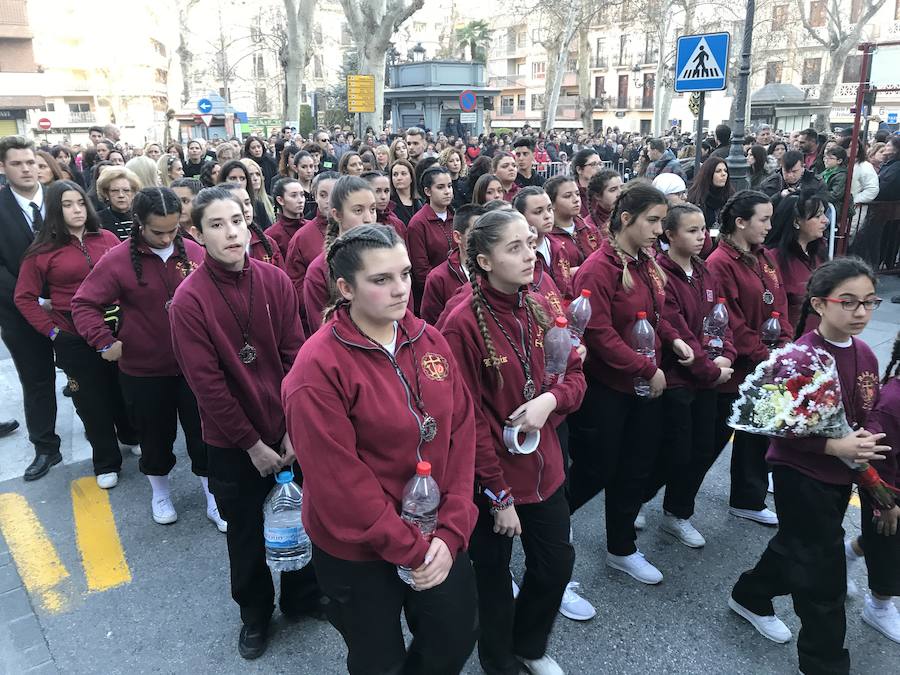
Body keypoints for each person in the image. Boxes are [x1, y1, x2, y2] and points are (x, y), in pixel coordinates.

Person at [284, 223, 479, 674]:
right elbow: (339, 482)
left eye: (406, 274)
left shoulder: (428, 338)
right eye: (381, 280)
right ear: (344, 288)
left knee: (455, 634)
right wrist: (409, 548)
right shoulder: (317, 369)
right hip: (358, 549)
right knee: (377, 659)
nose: (401, 290)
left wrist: (451, 532)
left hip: (435, 529)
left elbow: (461, 431)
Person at [168, 186, 319, 659]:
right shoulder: (188, 301)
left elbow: (297, 356)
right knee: (246, 531)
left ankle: (301, 596)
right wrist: (252, 444)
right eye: (216, 224)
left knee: (300, 515)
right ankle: (255, 614)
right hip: (234, 442)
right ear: (196, 234)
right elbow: (207, 386)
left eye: (237, 220)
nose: (232, 232)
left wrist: (294, 427)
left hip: (287, 428)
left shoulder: (274, 280)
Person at [441, 208, 586, 675]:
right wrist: (497, 493)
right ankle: (498, 659)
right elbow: (467, 423)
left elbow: (577, 376)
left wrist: (550, 400)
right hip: (492, 479)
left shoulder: (543, 302)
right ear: (484, 261)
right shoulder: (461, 323)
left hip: (546, 465)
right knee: (493, 577)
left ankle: (529, 642)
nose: (530, 254)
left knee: (557, 563)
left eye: (530, 242)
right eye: (515, 247)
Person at [729, 257, 887, 674]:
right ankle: (824, 663)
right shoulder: (798, 359)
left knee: (797, 547)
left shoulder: (867, 355)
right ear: (819, 304)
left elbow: (865, 410)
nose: (860, 312)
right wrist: (831, 445)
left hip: (842, 477)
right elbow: (780, 427)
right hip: (799, 476)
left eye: (870, 302)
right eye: (849, 302)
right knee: (824, 575)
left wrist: (864, 439)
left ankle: (750, 593)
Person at [70, 186, 224, 527]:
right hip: (143, 370)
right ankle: (160, 492)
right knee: (154, 438)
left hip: (195, 368)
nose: (167, 236)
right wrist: (103, 341)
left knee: (205, 436)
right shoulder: (117, 260)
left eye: (173, 228)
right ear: (139, 223)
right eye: (158, 231)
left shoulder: (196, 252)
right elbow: (83, 304)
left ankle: (213, 497)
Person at [567, 182, 694, 585]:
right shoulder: (598, 268)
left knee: (635, 469)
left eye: (662, 221)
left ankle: (621, 548)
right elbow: (599, 334)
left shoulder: (646, 263)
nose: (660, 229)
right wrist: (644, 368)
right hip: (608, 389)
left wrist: (672, 338)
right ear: (626, 219)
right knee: (596, 469)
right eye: (653, 221)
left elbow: (657, 315)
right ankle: (552, 526)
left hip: (644, 387)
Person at [14, 180, 136, 488]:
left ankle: (132, 435)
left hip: (117, 328)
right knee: (90, 401)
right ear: (56, 210)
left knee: (124, 390)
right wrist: (52, 332)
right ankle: (106, 461)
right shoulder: (42, 250)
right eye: (68, 204)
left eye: (80, 203)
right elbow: (24, 297)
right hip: (73, 335)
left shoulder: (107, 237)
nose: (77, 210)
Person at [642, 203, 735, 547]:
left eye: (702, 229)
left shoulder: (705, 271)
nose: (700, 237)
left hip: (708, 376)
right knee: (674, 450)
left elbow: (721, 319)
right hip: (679, 378)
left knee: (701, 449)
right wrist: (711, 370)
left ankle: (677, 513)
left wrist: (727, 355)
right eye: (691, 231)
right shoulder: (660, 275)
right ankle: (637, 496)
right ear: (669, 235)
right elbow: (676, 330)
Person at [707, 191, 792, 526]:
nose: (769, 227)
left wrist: (782, 344)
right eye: (763, 220)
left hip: (766, 366)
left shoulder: (764, 257)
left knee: (756, 436)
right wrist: (762, 354)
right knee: (707, 445)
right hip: (736, 371)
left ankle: (747, 499)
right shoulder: (720, 263)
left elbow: (779, 303)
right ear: (740, 223)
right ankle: (657, 500)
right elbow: (729, 320)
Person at [0, 136, 63, 480]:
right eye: (17, 163)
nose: (27, 169)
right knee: (37, 381)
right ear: (3, 167)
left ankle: (121, 433)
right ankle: (46, 448)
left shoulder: (61, 199)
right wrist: (35, 299)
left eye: (31, 162)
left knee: (93, 375)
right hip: (20, 314)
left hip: (72, 308)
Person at [845, 330, 900, 643]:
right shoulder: (892, 403)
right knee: (889, 547)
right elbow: (876, 463)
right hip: (888, 492)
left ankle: (848, 554)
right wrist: (886, 504)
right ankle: (879, 605)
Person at [303, 176, 377, 331]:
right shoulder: (319, 270)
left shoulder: (389, 260)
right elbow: (321, 331)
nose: (369, 219)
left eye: (372, 209)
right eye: (358, 210)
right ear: (337, 215)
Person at [765, 191, 828, 334]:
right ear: (797, 221)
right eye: (818, 216)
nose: (825, 220)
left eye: (824, 214)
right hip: (791, 339)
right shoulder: (774, 259)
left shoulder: (818, 251)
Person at [285, 171, 339, 335]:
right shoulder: (302, 238)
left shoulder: (355, 228)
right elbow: (297, 285)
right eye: (323, 194)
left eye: (334, 194)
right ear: (315, 196)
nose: (328, 200)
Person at [420, 204, 482, 325]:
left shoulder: (496, 270)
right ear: (458, 237)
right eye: (475, 232)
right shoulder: (438, 277)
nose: (483, 238)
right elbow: (432, 326)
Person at [406, 167, 454, 311]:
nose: (447, 191)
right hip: (436, 297)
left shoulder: (455, 216)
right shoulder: (418, 224)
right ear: (428, 191)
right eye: (440, 187)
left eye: (450, 186)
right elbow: (421, 273)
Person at [545, 174, 600, 280]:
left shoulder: (589, 229)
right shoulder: (547, 236)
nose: (576, 200)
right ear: (552, 204)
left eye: (577, 194)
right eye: (567, 196)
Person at [217, 183, 283, 269]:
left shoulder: (267, 242)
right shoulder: (217, 245)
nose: (246, 209)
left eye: (247, 203)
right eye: (238, 204)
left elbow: (282, 278)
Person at [686, 157, 734, 233]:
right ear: (709, 174)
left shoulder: (731, 197)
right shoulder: (697, 198)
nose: (723, 174)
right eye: (718, 171)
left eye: (725, 171)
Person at [95, 167, 140, 240]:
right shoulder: (97, 220)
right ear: (106, 194)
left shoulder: (143, 217)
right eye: (114, 190)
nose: (121, 195)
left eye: (126, 190)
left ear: (134, 193)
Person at [267, 178, 306, 258]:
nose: (300, 200)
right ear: (280, 200)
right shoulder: (271, 235)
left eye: (302, 195)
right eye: (294, 195)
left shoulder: (311, 227)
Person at [362, 170, 406, 240]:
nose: (383, 197)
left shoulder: (397, 224)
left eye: (386, 191)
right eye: (378, 191)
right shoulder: (360, 223)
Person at [821, 145, 852, 227]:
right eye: (825, 157)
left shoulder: (841, 175)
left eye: (830, 158)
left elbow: (835, 194)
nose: (826, 160)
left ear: (839, 161)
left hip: (835, 209)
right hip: (824, 204)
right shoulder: (826, 172)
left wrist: (819, 195)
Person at [585, 169, 622, 236]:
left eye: (622, 187)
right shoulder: (588, 225)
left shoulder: (628, 217)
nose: (620, 193)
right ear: (597, 196)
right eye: (613, 190)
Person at [240, 158, 275, 229]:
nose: (255, 178)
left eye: (258, 174)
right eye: (250, 175)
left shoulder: (270, 200)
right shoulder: (239, 205)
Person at [389, 159, 422, 226]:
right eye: (395, 174)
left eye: (403, 174)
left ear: (411, 177)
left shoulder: (420, 203)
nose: (399, 178)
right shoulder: (389, 203)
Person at [570, 148, 601, 218]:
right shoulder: (571, 193)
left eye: (600, 164)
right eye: (593, 164)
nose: (599, 168)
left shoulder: (604, 191)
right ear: (579, 170)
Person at [292, 150, 318, 220]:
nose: (309, 171)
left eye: (311, 166)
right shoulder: (292, 190)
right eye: (304, 167)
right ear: (295, 168)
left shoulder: (318, 189)